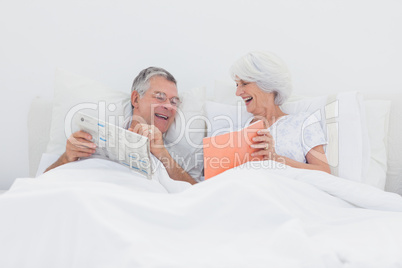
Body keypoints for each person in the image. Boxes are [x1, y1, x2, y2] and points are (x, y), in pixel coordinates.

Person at [45, 67, 198, 185]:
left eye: (174, 102)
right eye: (160, 97)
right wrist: (66, 158)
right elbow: (42, 183)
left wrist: (162, 154)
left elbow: (198, 196)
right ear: (136, 99)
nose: (169, 107)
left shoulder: (176, 156)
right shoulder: (95, 138)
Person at [230, 51, 331, 173]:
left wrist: (275, 159)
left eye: (244, 84)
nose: (238, 93)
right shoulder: (234, 131)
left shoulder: (302, 123)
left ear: (267, 84)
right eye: (237, 85)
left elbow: (324, 172)